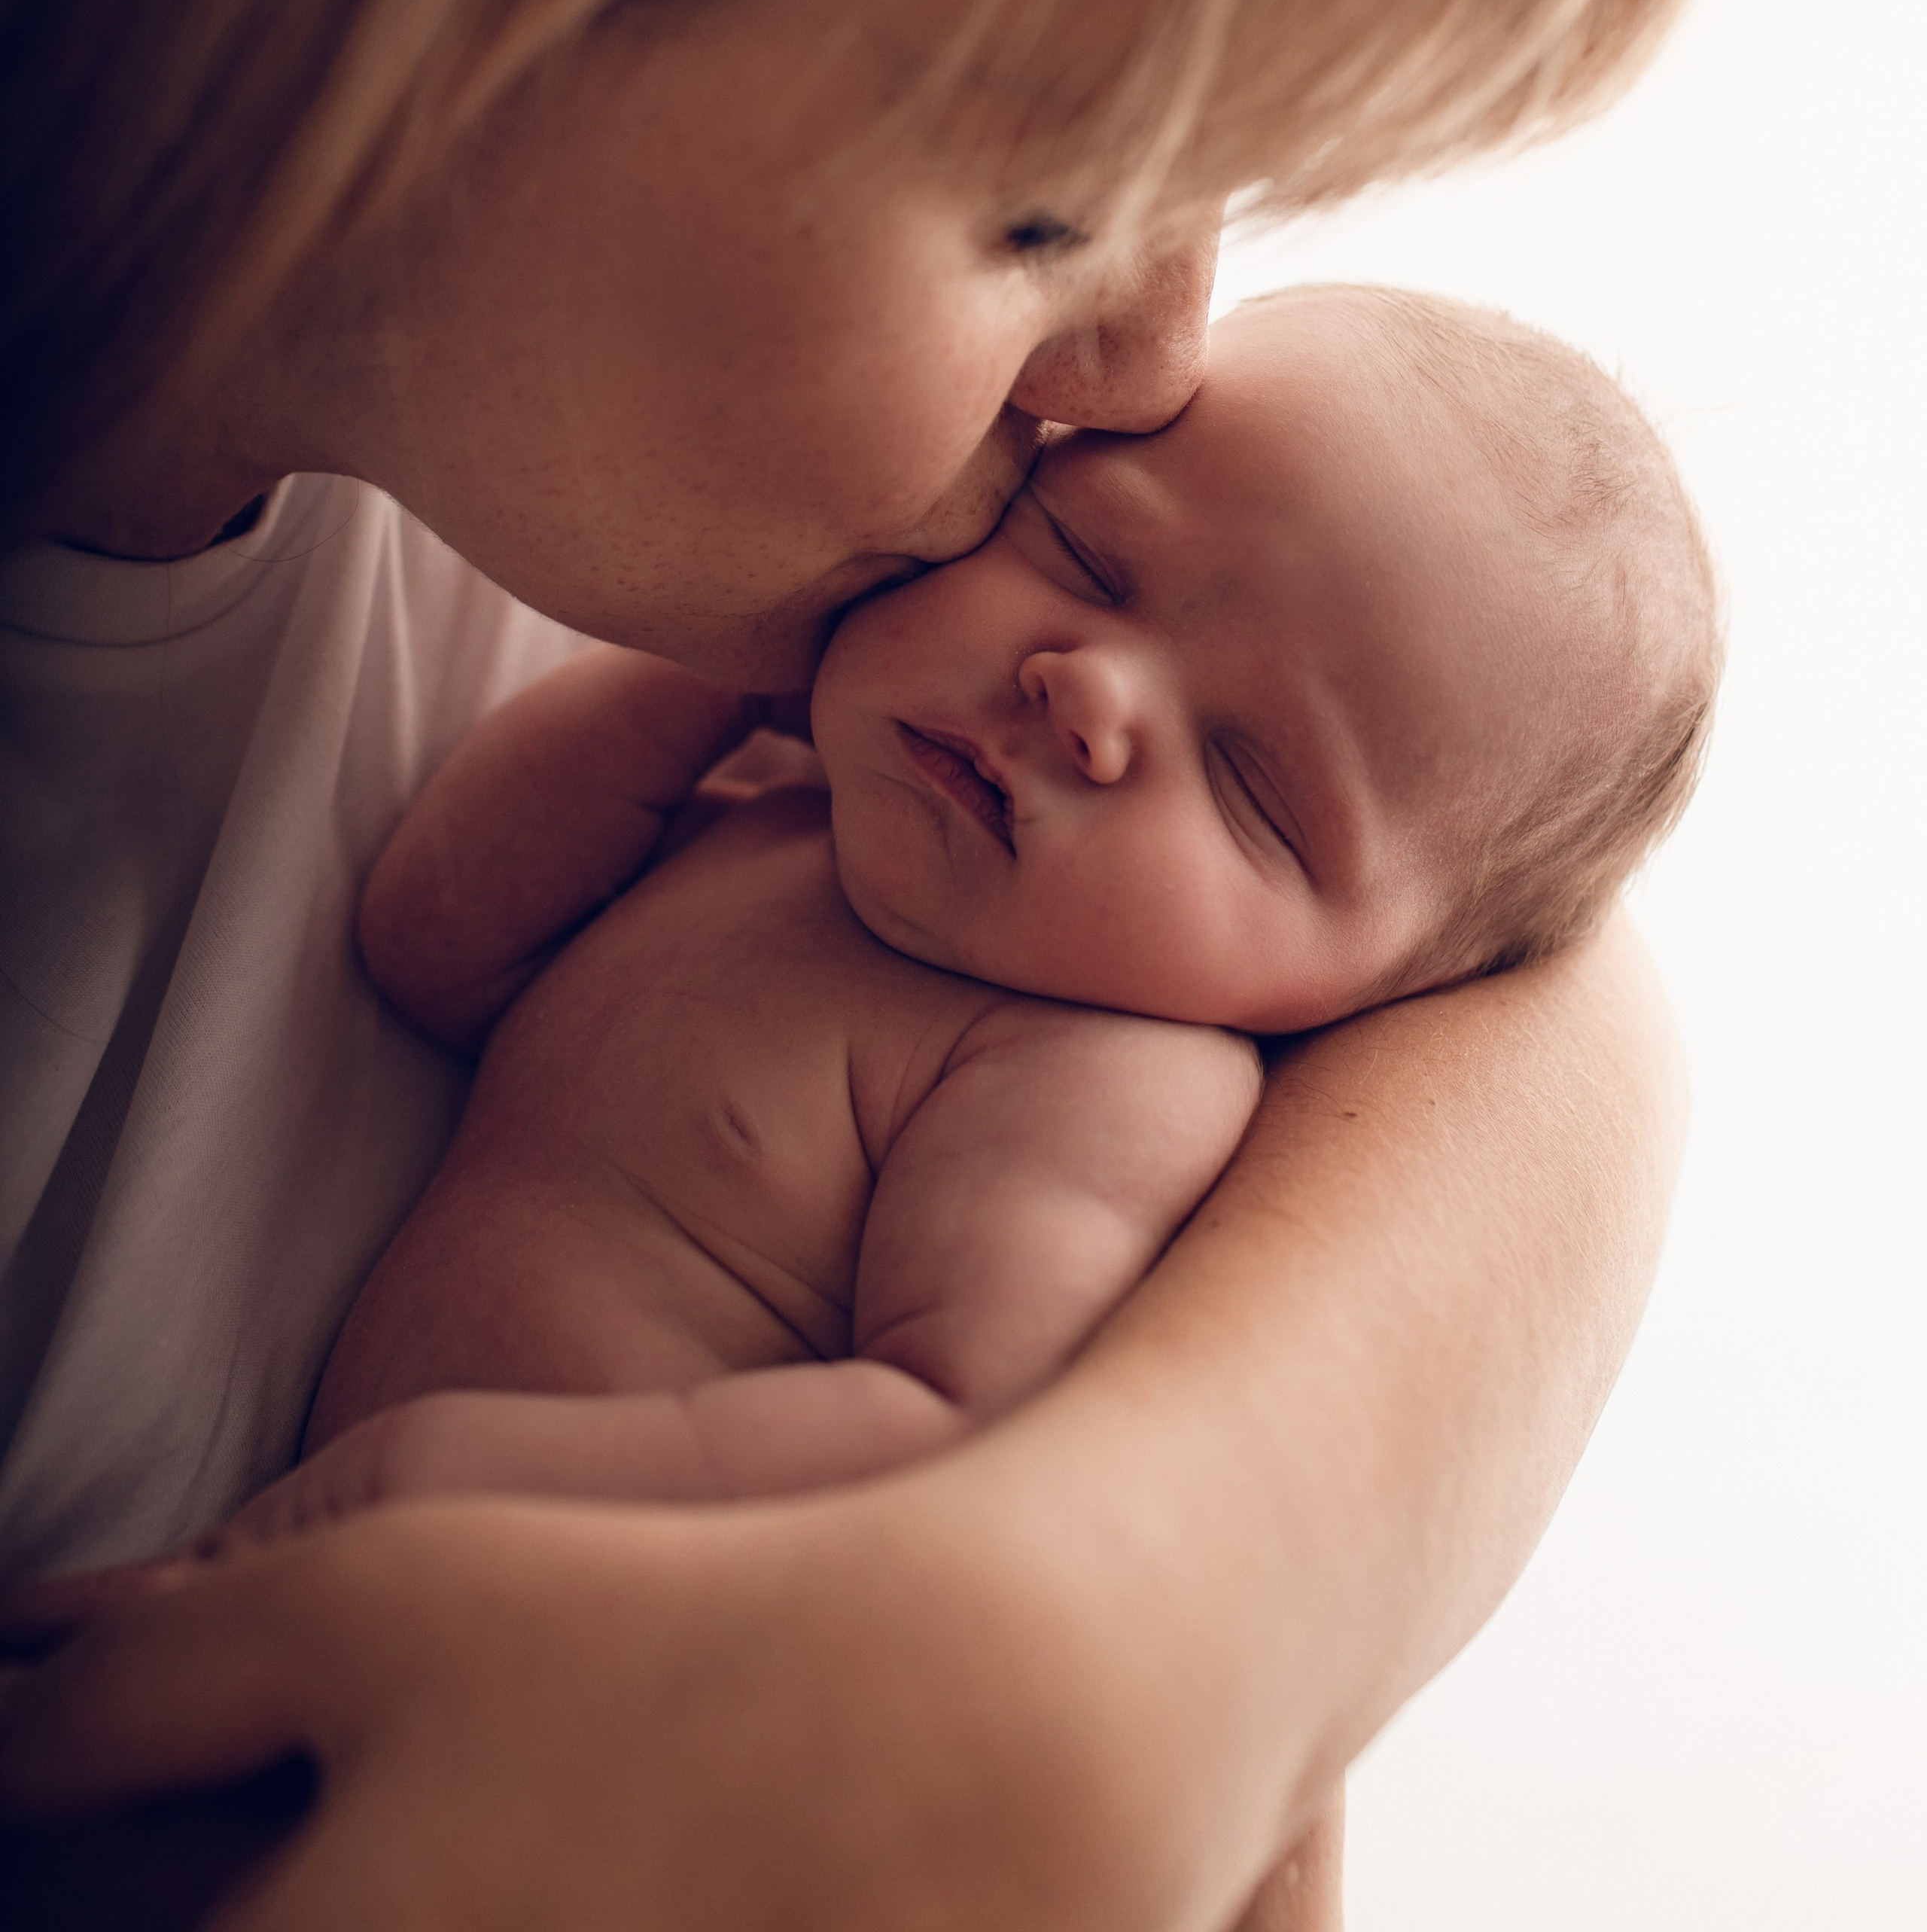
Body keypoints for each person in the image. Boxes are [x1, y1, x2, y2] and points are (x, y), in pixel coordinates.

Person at [0, 0, 1733, 1926]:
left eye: (1236, 190)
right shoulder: (627, 558)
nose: (1152, 366)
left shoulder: (612, 528)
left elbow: (1549, 1002)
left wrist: (1111, 1639)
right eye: (1051, 192)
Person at [183, 284, 1720, 1548]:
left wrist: (424, 1492)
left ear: (1362, 1001)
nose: (1087, 692)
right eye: (1086, 556)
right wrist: (705, 679)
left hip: (579, 1655)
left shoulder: (1095, 1078)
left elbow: (943, 1437)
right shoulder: (769, 823)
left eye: (1250, 784)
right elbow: (431, 949)